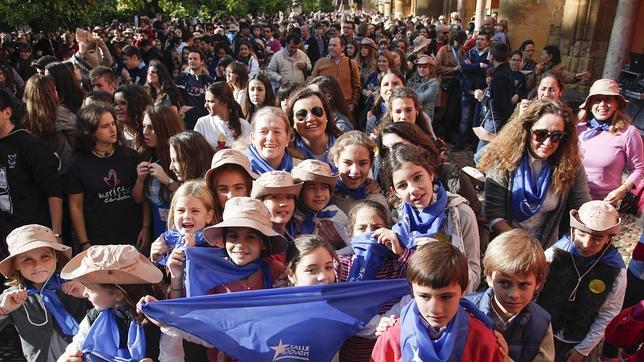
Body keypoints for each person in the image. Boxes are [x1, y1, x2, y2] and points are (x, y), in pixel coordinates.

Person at [480, 99, 591, 248]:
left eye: (556, 136)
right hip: (506, 245)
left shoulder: (570, 165)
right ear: (527, 130)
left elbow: (581, 206)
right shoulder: (503, 160)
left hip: (548, 248)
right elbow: (493, 215)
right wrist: (525, 246)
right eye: (540, 134)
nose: (547, 142)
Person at [373, 144, 481, 292]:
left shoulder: (460, 214)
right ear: (395, 191)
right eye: (402, 185)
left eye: (418, 177)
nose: (414, 190)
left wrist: (443, 258)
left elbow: (474, 279)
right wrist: (400, 252)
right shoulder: (397, 218)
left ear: (430, 174)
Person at [370, 242, 503, 361]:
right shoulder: (394, 336)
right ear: (412, 292)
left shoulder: (481, 340)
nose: (435, 309)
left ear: (464, 290)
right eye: (424, 296)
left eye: (446, 297)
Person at [537, 201, 626, 361]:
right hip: (543, 331)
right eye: (581, 234)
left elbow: (608, 313)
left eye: (597, 238)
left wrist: (582, 349)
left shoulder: (615, 270)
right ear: (573, 230)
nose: (586, 244)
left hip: (578, 341)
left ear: (609, 238)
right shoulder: (556, 253)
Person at [58, 244, 163, 361]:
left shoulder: (156, 321)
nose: (84, 293)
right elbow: (76, 344)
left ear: (118, 295)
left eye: (90, 289)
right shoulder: (93, 318)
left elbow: (172, 355)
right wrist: (68, 357)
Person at [0, 224, 88, 362]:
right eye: (27, 259)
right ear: (16, 264)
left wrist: (88, 294)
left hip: (83, 356)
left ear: (56, 257)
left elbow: (111, 312)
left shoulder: (76, 284)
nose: (38, 265)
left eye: (45, 256)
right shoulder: (11, 296)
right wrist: (3, 310)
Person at [66, 104, 147, 250]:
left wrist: (146, 228)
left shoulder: (130, 156)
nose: (112, 129)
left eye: (113, 124)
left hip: (132, 237)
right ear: (90, 132)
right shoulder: (77, 164)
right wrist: (84, 242)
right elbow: (75, 206)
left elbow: (143, 198)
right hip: (98, 241)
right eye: (104, 126)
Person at [466, 229, 554, 362]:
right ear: (489, 277)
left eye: (523, 285)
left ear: (538, 283)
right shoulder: (465, 311)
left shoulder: (541, 323)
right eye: (504, 283)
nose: (514, 295)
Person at [0, 88, 63, 257]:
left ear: (7, 113)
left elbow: (54, 191)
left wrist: (56, 234)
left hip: (34, 235)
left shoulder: (28, 144)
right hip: (5, 239)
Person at [577, 79, 643, 203]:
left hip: (603, 204)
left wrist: (622, 190)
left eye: (608, 100)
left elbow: (638, 169)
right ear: (590, 104)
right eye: (597, 99)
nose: (602, 104)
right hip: (570, 199)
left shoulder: (628, 133)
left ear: (616, 104)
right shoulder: (578, 129)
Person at [133, 105, 184, 239]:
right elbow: (139, 199)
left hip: (181, 228)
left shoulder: (181, 156)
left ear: (164, 127)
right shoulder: (145, 156)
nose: (145, 132)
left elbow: (192, 195)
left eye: (151, 127)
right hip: (157, 229)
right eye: (144, 126)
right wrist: (140, 180)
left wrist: (167, 181)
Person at [149, 180, 215, 266]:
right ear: (173, 213)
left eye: (195, 211)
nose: (186, 216)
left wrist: (190, 252)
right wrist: (155, 259)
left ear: (208, 216)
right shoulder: (166, 240)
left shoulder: (214, 244)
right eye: (181, 210)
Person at [22, 74, 76, 174]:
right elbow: (75, 135)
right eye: (54, 89)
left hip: (41, 170)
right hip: (64, 169)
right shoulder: (57, 113)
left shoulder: (25, 117)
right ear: (49, 93)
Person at [291, 159, 350, 249]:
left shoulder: (336, 215)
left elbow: (352, 247)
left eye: (324, 187)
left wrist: (341, 243)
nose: (319, 194)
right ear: (300, 192)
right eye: (311, 188)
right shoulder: (293, 218)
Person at [330, 131, 389, 216]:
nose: (355, 171)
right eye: (348, 163)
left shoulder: (376, 199)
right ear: (336, 160)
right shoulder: (325, 195)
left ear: (371, 164)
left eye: (362, 163)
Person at [285, 87, 341, 165]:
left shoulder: (346, 147)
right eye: (302, 114)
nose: (310, 119)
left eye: (316, 111)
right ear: (293, 122)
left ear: (327, 116)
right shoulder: (285, 155)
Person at [310, 35, 361, 115]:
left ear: (342, 48)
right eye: (330, 45)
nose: (331, 47)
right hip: (325, 107)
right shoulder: (320, 62)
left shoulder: (351, 63)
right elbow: (311, 82)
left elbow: (356, 85)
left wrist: (354, 103)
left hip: (346, 107)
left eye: (334, 45)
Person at [204, 149, 258, 223]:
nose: (231, 196)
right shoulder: (202, 223)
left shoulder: (263, 219)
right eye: (223, 189)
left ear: (250, 188)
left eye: (238, 188)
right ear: (213, 191)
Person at [244, 107, 303, 174]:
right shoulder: (240, 169)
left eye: (277, 132)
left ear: (288, 137)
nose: (270, 138)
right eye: (263, 131)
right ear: (253, 137)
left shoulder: (301, 170)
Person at [251, 170, 303, 246]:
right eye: (275, 197)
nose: (284, 204)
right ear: (261, 202)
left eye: (289, 197)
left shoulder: (298, 232)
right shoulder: (255, 238)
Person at [457, 31, 490, 150]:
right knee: (464, 119)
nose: (479, 41)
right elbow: (464, 67)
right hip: (468, 90)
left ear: (487, 42)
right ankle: (460, 144)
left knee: (477, 120)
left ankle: (474, 145)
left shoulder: (489, 55)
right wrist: (480, 65)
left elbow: (487, 71)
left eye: (482, 39)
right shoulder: (470, 52)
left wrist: (473, 67)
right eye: (478, 39)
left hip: (481, 92)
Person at [194, 82, 250, 151]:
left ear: (224, 102)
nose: (205, 105)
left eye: (211, 101)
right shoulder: (202, 123)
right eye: (206, 101)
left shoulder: (244, 125)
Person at [175, 48, 213, 130]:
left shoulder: (208, 80)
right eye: (190, 59)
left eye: (195, 59)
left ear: (202, 61)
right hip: (186, 120)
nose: (192, 61)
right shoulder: (181, 79)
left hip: (204, 120)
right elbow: (175, 97)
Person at [113, 84, 152, 150]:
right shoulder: (114, 134)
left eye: (123, 103)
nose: (117, 108)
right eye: (115, 104)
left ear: (136, 104)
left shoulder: (149, 132)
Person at [406, 55, 440, 123]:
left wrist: (410, 95)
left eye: (424, 67)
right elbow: (406, 92)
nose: (421, 69)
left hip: (425, 115)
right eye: (419, 67)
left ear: (430, 69)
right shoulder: (412, 80)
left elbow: (425, 97)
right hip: (412, 113)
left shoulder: (434, 82)